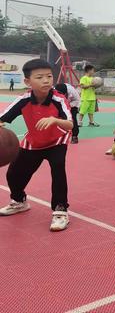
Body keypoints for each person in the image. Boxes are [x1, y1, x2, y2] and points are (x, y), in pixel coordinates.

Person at [0, 59, 73, 231]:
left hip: (57, 140)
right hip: (33, 141)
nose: (46, 80)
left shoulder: (58, 99)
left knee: (58, 168)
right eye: (39, 77)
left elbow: (70, 125)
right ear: (27, 82)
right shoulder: (24, 99)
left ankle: (60, 210)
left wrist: (54, 120)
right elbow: (3, 118)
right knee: (13, 174)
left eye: (49, 76)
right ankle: (19, 201)